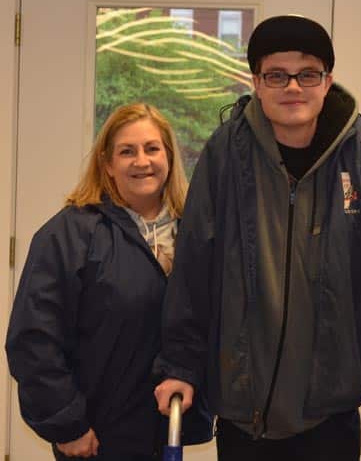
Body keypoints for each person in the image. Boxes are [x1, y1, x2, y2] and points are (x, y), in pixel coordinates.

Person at [153, 15, 361, 460]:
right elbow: (195, 267)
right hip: (244, 406)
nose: (293, 87)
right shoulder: (226, 152)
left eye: (307, 74)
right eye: (277, 75)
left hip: (331, 406)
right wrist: (180, 364)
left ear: (327, 80)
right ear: (256, 81)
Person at [6, 103, 212, 461]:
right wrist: (66, 424)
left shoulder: (196, 232)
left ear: (169, 156)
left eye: (152, 148)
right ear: (107, 164)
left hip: (170, 429)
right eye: (126, 151)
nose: (142, 161)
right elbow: (34, 338)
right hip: (96, 437)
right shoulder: (69, 234)